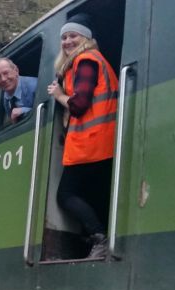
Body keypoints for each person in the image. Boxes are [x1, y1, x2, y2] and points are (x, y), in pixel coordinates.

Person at [46, 13, 118, 259]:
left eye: (73, 35)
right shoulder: (96, 61)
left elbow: (79, 104)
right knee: (94, 194)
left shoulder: (86, 61)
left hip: (91, 141)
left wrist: (58, 95)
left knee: (65, 194)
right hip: (101, 140)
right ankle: (99, 241)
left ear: (86, 38)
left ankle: (100, 239)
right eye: (64, 37)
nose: (67, 41)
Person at [0, 57, 38, 124]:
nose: (3, 79)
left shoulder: (35, 85)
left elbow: (47, 111)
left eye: (6, 73)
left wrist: (23, 111)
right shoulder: (6, 99)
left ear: (16, 71)